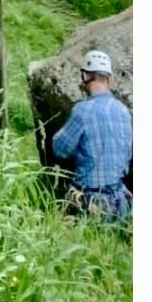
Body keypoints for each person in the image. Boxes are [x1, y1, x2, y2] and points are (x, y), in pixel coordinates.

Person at [49, 50, 132, 222]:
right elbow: (126, 157)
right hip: (120, 200)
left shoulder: (82, 110)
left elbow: (59, 149)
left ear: (85, 76)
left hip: (90, 201)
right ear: (110, 79)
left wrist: (78, 148)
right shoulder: (123, 111)